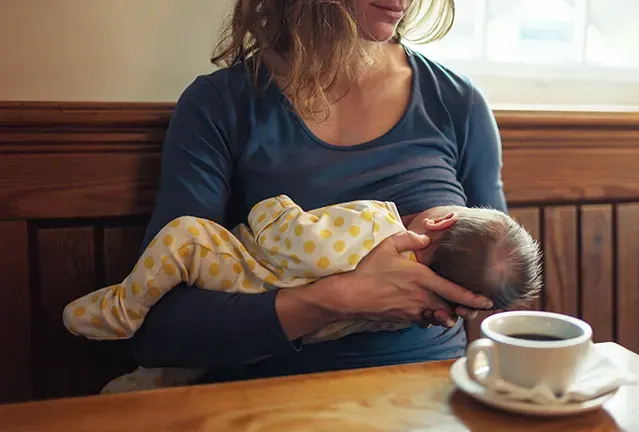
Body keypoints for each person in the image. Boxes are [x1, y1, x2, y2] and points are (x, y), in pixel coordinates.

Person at [129, 0, 509, 384]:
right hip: (272, 401)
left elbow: (496, 301)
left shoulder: (457, 102)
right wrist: (341, 298)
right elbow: (160, 330)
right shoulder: (220, 105)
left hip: (430, 397)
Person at [65, 195, 539, 393]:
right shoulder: (411, 310)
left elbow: (288, 239)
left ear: (437, 222)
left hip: (239, 274)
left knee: (184, 237)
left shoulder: (377, 222)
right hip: (261, 345)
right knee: (174, 371)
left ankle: (123, 308)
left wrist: (275, 208)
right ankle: (124, 388)